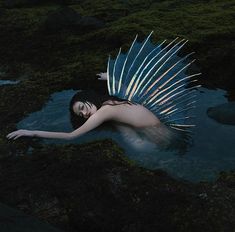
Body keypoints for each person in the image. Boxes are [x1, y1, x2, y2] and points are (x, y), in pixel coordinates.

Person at [7, 32, 200, 141]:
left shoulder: (104, 112)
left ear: (89, 100)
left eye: (82, 107)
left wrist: (30, 132)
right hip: (160, 127)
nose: (83, 114)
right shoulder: (113, 101)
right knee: (117, 124)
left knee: (118, 127)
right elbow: (126, 90)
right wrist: (111, 77)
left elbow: (71, 136)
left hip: (159, 135)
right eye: (80, 114)